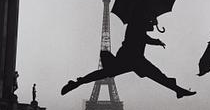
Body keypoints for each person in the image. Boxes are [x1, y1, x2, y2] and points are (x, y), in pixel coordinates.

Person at [61, 14, 196, 99]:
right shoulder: (137, 23)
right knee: (157, 75)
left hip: (128, 59)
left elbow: (144, 35)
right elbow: (143, 36)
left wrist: (155, 36)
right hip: (133, 59)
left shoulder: (136, 23)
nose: (151, 24)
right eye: (150, 21)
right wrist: (155, 36)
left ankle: (77, 82)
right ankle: (177, 89)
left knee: (103, 73)